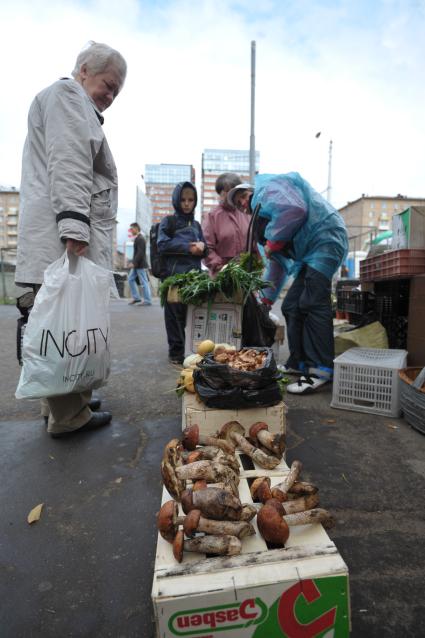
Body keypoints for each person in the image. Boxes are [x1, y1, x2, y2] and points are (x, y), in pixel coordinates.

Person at [15, 41, 127, 437]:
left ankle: (66, 402)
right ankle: (69, 417)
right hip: (62, 234)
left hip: (55, 231)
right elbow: (70, 160)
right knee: (68, 328)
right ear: (83, 71)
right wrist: (75, 226)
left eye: (116, 91)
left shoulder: (71, 104)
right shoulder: (67, 96)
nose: (110, 95)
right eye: (107, 84)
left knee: (59, 324)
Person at [253, 172, 348, 394]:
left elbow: (296, 209)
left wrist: (274, 242)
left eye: (242, 198)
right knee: (291, 306)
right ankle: (299, 362)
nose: (241, 203)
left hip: (325, 239)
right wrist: (264, 301)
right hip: (310, 253)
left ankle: (320, 370)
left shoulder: (272, 200)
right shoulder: (266, 229)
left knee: (313, 303)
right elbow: (276, 268)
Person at [157, 181, 207, 364]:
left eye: (191, 200)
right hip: (174, 278)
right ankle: (176, 353)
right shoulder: (168, 222)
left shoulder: (196, 225)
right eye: (183, 199)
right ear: (176, 200)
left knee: (192, 317)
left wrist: (203, 247)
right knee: (174, 318)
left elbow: (205, 248)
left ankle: (192, 351)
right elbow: (162, 245)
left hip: (194, 278)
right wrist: (189, 248)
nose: (187, 203)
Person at [202, 173, 252, 276]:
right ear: (220, 193)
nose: (231, 195)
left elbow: (254, 243)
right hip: (222, 276)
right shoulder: (212, 216)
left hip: (246, 273)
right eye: (227, 191)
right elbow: (206, 248)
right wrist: (220, 266)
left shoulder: (246, 213)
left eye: (234, 191)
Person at [127, 222, 152, 306]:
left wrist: (134, 263)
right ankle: (137, 298)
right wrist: (134, 263)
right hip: (137, 264)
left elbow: (140, 253)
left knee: (144, 282)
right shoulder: (138, 238)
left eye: (132, 229)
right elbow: (138, 253)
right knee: (130, 279)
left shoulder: (140, 239)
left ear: (136, 228)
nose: (131, 231)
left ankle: (147, 300)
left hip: (140, 265)